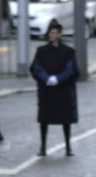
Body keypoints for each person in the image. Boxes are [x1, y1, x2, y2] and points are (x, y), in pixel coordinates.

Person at [29, 22, 79, 157]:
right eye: (51, 33)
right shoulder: (41, 51)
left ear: (60, 35)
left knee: (65, 119)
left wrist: (58, 79)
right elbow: (36, 67)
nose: (53, 35)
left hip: (63, 90)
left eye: (56, 33)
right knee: (44, 119)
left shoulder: (68, 52)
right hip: (47, 91)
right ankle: (43, 146)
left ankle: (68, 146)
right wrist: (46, 78)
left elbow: (70, 69)